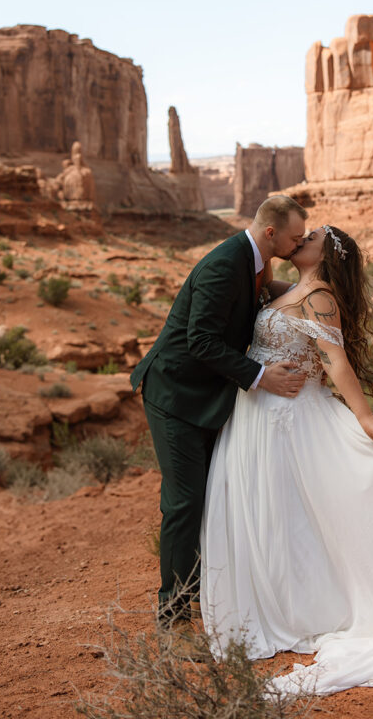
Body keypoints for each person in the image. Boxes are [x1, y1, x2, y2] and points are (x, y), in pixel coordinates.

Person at [200, 224, 373, 695]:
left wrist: (366, 417)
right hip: (256, 416)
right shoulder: (294, 288)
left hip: (289, 416)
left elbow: (335, 361)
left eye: (307, 239)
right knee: (269, 512)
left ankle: (304, 609)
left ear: (323, 254)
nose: (299, 241)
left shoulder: (320, 296)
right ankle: (275, 604)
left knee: (289, 513)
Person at [130, 195, 309, 628]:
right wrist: (263, 376)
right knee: (184, 504)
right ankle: (172, 620)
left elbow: (267, 296)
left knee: (208, 497)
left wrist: (320, 286)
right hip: (175, 395)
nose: (299, 244)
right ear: (272, 233)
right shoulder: (226, 263)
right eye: (295, 237)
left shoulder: (256, 262)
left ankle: (202, 599)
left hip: (204, 396)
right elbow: (202, 342)